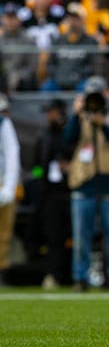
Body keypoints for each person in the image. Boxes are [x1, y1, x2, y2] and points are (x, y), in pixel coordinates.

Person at [64, 76, 109, 291]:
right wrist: (76, 113)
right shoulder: (80, 116)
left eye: (97, 95)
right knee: (81, 236)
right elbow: (67, 140)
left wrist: (103, 124)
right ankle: (80, 278)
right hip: (84, 182)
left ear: (106, 94)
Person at [33, 98, 72, 289]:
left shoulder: (70, 133)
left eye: (52, 111)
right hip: (50, 194)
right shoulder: (43, 136)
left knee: (71, 237)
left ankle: (68, 275)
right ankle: (54, 274)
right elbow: (36, 166)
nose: (49, 115)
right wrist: (41, 178)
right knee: (53, 237)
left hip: (69, 191)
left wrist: (71, 168)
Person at [0, 94, 19, 286]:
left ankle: (0, 272)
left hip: (1, 181)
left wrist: (9, 185)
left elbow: (13, 154)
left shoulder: (3, 124)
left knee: (4, 231)